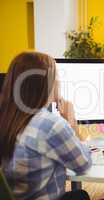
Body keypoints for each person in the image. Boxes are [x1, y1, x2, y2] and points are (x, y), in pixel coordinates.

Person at [0, 52, 92, 200]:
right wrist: (71, 121)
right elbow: (83, 165)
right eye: (57, 76)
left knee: (80, 195)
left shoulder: (7, 120)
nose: (60, 81)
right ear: (47, 83)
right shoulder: (50, 125)